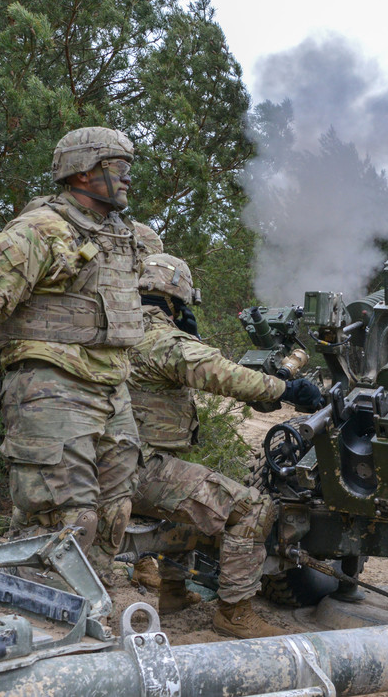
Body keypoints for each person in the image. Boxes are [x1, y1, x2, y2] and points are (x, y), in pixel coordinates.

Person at [0, 126, 146, 572]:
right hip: (50, 387)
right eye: (118, 167)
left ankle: (92, 611)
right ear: (80, 174)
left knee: (115, 512)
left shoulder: (121, 234)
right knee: (66, 522)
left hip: (113, 391)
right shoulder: (39, 230)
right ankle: (31, 615)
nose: (129, 178)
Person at [127, 253, 324, 639]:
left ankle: (172, 593)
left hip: (103, 463)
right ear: (174, 298)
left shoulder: (112, 331)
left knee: (191, 496)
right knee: (250, 507)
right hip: (135, 470)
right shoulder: (161, 340)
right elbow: (226, 376)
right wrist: (288, 388)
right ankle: (234, 614)